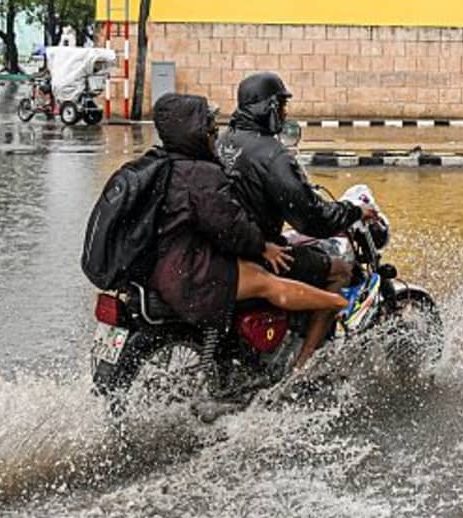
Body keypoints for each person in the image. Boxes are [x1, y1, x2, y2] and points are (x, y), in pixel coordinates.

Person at [147, 93, 349, 369]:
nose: (212, 133)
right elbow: (229, 224)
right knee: (288, 278)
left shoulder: (159, 163)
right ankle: (306, 361)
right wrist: (263, 246)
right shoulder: (203, 172)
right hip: (190, 269)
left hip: (164, 263)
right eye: (208, 127)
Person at [216, 71, 374, 364]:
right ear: (269, 107)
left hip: (226, 247)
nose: (285, 112)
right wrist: (353, 210)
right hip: (259, 252)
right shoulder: (273, 154)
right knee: (338, 269)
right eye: (282, 105)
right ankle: (305, 366)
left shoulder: (224, 142)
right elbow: (311, 219)